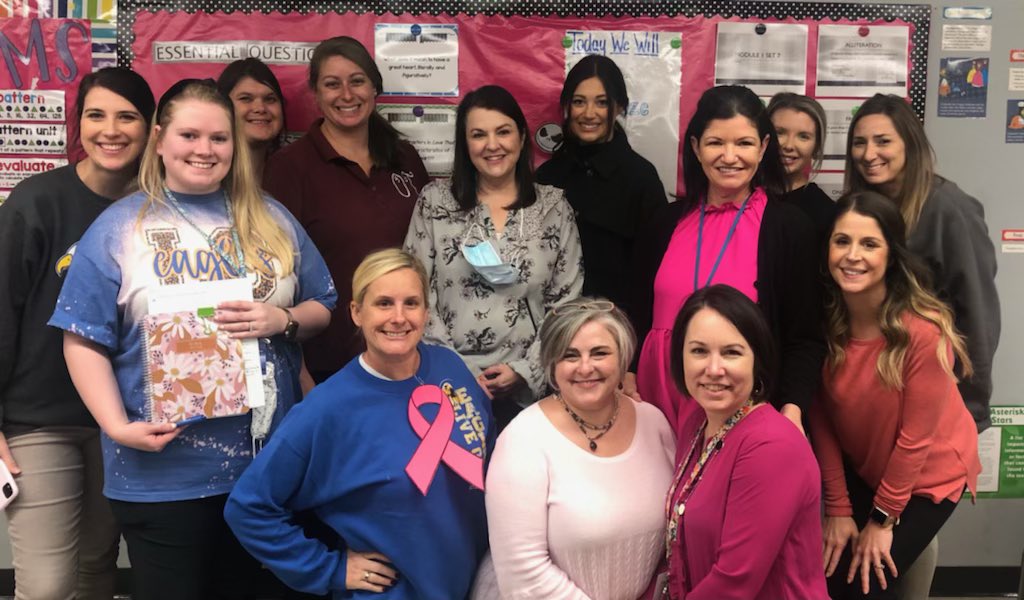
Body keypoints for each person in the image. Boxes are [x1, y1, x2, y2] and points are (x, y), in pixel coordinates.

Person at [48, 78, 337, 599]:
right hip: (163, 472)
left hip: (268, 470)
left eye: (219, 138)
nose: (205, 150)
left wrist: (283, 320)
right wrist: (117, 426)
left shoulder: (272, 218)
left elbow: (324, 307)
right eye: (189, 135)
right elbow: (82, 339)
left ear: (235, 145)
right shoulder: (119, 228)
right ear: (159, 139)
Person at [225, 248, 492, 598]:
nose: (398, 317)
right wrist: (328, 568)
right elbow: (248, 507)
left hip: (476, 581)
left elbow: (491, 459)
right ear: (356, 312)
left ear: (426, 312)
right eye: (383, 303)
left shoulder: (450, 367)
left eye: (411, 303)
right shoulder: (327, 409)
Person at [0, 67, 153, 600]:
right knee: (45, 587)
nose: (110, 130)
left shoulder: (161, 208)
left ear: (151, 128)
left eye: (127, 116)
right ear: (78, 124)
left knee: (96, 567)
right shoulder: (36, 201)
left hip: (125, 419)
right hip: (38, 421)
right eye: (96, 115)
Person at [811, 191, 981, 599]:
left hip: (929, 474)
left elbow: (916, 440)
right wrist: (837, 507)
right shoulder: (822, 320)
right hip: (868, 463)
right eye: (842, 241)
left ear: (891, 255)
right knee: (830, 570)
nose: (853, 255)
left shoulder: (922, 331)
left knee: (858, 583)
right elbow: (821, 419)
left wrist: (881, 520)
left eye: (869, 244)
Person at [632, 85, 824, 434]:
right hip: (655, 405)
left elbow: (805, 337)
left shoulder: (790, 229)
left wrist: (793, 407)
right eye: (716, 142)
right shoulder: (663, 223)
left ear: (764, 147)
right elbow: (635, 311)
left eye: (744, 143)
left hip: (744, 408)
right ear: (696, 147)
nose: (729, 156)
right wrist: (628, 374)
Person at [404, 85, 583, 429]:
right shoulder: (435, 202)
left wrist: (525, 371)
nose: (492, 145)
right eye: (478, 134)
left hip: (532, 394)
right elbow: (415, 292)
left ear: (521, 137)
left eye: (503, 131)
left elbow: (567, 303)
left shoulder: (554, 208)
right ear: (465, 143)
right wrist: (458, 373)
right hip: (445, 386)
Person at [481, 298, 675, 599]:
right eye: (570, 355)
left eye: (599, 353)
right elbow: (525, 574)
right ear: (551, 365)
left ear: (623, 358)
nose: (586, 367)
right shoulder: (523, 440)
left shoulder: (654, 423)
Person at [265, 36, 429, 384]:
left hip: (407, 353)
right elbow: (276, 278)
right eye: (332, 84)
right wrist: (301, 374)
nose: (347, 95)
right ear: (316, 93)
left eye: (357, 81)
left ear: (375, 88)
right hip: (328, 362)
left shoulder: (405, 158)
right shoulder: (289, 168)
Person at [844, 93, 999, 430]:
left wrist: (972, 410)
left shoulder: (948, 209)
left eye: (882, 141)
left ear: (909, 144)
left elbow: (977, 311)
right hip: (875, 398)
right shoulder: (859, 209)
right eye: (859, 143)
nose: (869, 154)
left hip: (934, 400)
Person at [663, 284, 827, 599]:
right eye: (698, 351)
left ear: (757, 360)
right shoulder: (696, 423)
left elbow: (734, 582)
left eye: (731, 352)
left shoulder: (772, 446)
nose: (713, 369)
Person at [535, 55, 667, 311]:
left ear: (619, 107)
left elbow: (655, 271)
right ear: (566, 106)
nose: (589, 113)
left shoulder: (641, 177)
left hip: (617, 327)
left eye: (602, 102)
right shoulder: (548, 176)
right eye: (579, 102)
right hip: (553, 324)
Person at [766, 92, 838, 241]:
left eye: (803, 136)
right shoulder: (743, 195)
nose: (789, 145)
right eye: (780, 133)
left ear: (816, 147)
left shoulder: (825, 212)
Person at [217, 57, 286, 179]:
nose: (260, 108)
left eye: (270, 99)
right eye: (246, 98)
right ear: (222, 106)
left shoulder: (293, 177)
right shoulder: (204, 179)